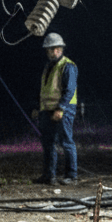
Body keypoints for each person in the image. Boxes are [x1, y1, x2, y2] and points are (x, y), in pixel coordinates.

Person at [33, 32, 78, 186]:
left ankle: (71, 175)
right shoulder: (49, 67)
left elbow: (69, 90)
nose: (51, 52)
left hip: (63, 109)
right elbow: (45, 90)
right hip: (47, 109)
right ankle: (49, 175)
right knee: (48, 143)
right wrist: (38, 108)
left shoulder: (68, 66)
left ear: (60, 49)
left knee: (66, 142)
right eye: (49, 49)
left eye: (54, 49)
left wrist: (61, 108)